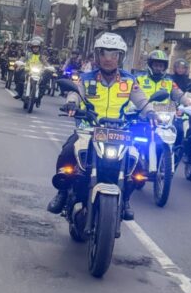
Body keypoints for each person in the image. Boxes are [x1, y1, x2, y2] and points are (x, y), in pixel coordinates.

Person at [47, 33, 153, 219]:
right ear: (97, 56)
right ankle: (62, 192)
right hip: (89, 130)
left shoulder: (129, 81)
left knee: (138, 166)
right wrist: (72, 103)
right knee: (67, 150)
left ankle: (126, 198)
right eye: (103, 54)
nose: (108, 59)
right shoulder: (86, 78)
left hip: (119, 132)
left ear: (120, 58)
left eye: (114, 55)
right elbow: (75, 93)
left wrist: (151, 113)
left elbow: (142, 101)